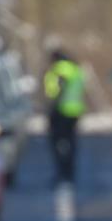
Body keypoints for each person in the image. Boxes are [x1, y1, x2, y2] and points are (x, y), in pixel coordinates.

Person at [43, 49, 85, 184]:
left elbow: (60, 89)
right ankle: (69, 172)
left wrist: (52, 108)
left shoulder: (59, 70)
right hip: (74, 111)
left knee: (57, 143)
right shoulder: (74, 69)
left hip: (61, 111)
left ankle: (61, 172)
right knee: (71, 142)